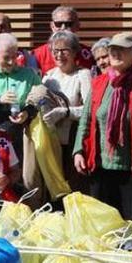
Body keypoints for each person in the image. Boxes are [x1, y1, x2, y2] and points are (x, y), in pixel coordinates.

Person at [72, 33, 132, 219]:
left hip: (130, 167)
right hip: (99, 165)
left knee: (129, 220)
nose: (115, 53)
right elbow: (86, 119)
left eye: (122, 50)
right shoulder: (98, 83)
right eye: (113, 49)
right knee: (102, 220)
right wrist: (78, 150)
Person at [40, 30, 92, 185]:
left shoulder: (83, 75)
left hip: (74, 141)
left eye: (64, 50)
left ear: (75, 51)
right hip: (50, 141)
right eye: (55, 51)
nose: (59, 55)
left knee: (73, 185)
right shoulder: (48, 76)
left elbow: (90, 109)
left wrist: (66, 112)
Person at [33, 6, 94, 72]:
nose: (63, 27)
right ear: (52, 26)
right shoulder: (38, 55)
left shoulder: (89, 55)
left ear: (77, 26)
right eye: (58, 24)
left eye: (69, 24)